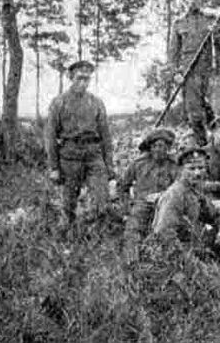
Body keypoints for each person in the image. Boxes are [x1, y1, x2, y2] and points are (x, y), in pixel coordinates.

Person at [45, 60, 114, 235]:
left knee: (101, 197)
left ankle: (96, 235)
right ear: (71, 77)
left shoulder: (96, 102)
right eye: (79, 78)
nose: (83, 83)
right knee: (68, 202)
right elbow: (50, 136)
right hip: (70, 156)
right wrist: (54, 167)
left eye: (87, 79)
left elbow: (106, 135)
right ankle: (67, 236)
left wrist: (109, 164)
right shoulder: (59, 103)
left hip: (93, 155)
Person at [168, 0, 220, 146]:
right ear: (184, 1)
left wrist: (217, 34)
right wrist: (176, 74)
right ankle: (202, 147)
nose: (192, 1)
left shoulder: (212, 20)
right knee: (195, 115)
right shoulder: (179, 24)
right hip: (189, 75)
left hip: (211, 73)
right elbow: (172, 54)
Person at [152, 147, 220, 258]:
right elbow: (164, 233)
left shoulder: (195, 191)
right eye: (191, 168)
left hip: (195, 247)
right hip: (176, 254)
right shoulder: (175, 194)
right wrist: (191, 260)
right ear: (181, 170)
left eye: (201, 168)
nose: (197, 173)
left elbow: (217, 214)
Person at [120, 128, 178, 248]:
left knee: (168, 231)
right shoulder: (138, 164)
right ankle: (132, 256)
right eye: (154, 146)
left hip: (166, 203)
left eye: (161, 146)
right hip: (142, 203)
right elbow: (123, 187)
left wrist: (164, 195)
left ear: (167, 148)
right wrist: (127, 208)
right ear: (150, 148)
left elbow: (180, 186)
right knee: (132, 231)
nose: (158, 149)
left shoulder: (174, 164)